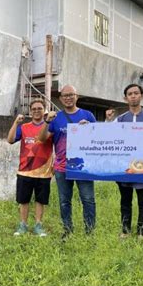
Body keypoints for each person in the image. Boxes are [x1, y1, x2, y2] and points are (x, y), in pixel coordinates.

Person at [38, 84, 97, 240]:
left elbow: (98, 139)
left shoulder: (88, 115)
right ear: (61, 99)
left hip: (83, 166)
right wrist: (47, 122)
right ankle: (67, 231)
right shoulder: (56, 118)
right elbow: (42, 139)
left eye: (71, 94)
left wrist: (89, 129)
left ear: (76, 96)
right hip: (62, 167)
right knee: (65, 201)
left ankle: (90, 233)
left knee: (88, 200)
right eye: (65, 95)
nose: (68, 98)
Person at [113, 84, 143, 240]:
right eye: (129, 94)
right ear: (125, 97)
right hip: (124, 166)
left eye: (136, 93)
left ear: (141, 95)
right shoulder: (119, 119)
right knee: (125, 200)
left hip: (142, 166)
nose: (133, 96)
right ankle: (125, 231)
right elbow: (112, 139)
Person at [7, 99, 54, 236]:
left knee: (41, 200)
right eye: (33, 109)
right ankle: (23, 224)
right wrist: (16, 123)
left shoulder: (50, 126)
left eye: (39, 108)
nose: (36, 111)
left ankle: (38, 225)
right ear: (30, 111)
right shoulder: (24, 127)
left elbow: (45, 139)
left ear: (44, 110)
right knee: (24, 200)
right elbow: (10, 140)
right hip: (25, 171)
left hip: (43, 171)